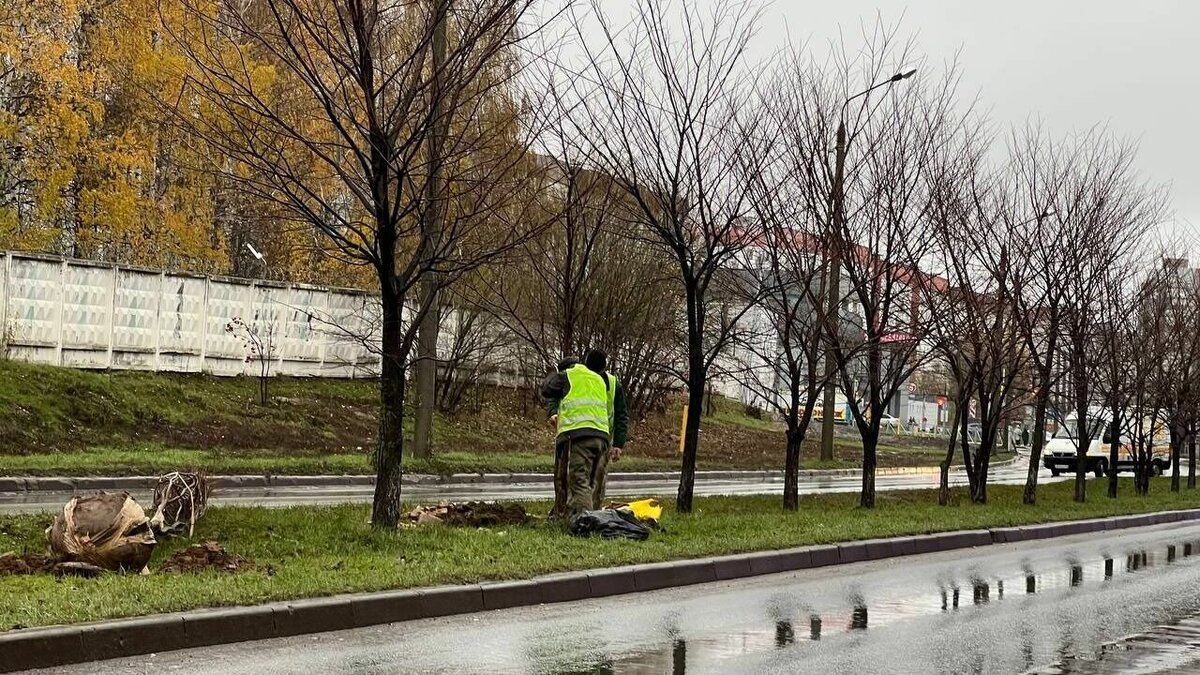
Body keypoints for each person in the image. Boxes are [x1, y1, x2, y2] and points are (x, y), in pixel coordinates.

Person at [541, 352, 613, 519]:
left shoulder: (568, 375)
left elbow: (547, 389)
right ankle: (588, 516)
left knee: (579, 481)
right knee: (592, 483)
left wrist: (553, 374)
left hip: (581, 435)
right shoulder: (597, 379)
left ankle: (587, 522)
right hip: (602, 437)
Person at [583, 349, 629, 509]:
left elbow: (621, 414)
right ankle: (582, 512)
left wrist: (618, 444)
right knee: (584, 479)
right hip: (583, 436)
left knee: (597, 479)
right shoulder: (580, 379)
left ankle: (593, 513)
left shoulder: (612, 384)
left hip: (602, 440)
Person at [541, 356, 579, 519]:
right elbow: (553, 399)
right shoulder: (589, 378)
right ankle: (567, 509)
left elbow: (549, 393)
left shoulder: (566, 377)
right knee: (578, 476)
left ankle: (564, 510)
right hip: (589, 433)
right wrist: (553, 412)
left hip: (570, 432)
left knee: (563, 475)